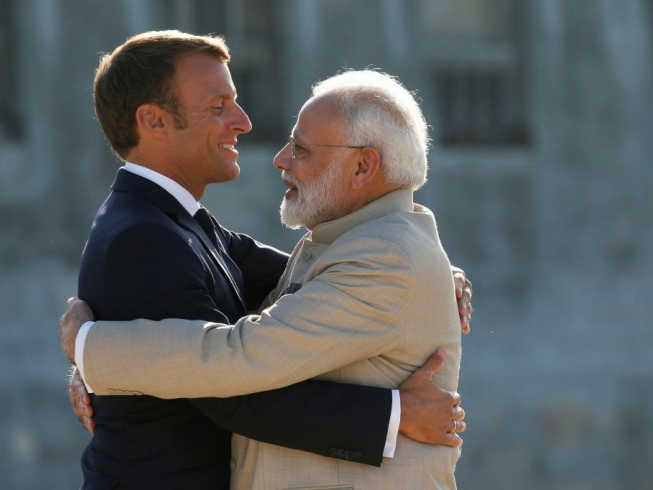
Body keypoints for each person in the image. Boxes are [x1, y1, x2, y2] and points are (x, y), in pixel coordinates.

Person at [62, 65, 469, 489]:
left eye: (302, 149)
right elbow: (218, 261)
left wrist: (90, 348)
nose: (281, 160)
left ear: (363, 166)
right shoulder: (356, 245)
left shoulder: (385, 258)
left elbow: (239, 358)